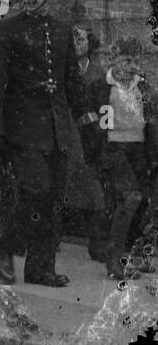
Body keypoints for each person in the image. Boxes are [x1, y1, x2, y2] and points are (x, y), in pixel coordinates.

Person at [0, 0, 88, 287]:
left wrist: (86, 117)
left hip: (57, 129)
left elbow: (72, 79)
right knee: (36, 191)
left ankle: (40, 268)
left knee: (53, 200)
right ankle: (5, 249)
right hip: (22, 128)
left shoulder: (61, 30)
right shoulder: (9, 29)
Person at [96, 39, 158, 280]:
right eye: (126, 60)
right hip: (114, 149)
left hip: (139, 150)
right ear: (114, 59)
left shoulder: (142, 88)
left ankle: (131, 257)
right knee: (130, 198)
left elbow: (151, 122)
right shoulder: (103, 87)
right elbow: (98, 129)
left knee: (142, 203)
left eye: (135, 60)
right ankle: (114, 259)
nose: (131, 66)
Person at [68, 24, 110, 262]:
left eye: (81, 39)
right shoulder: (63, 70)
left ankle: (97, 244)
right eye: (73, 39)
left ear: (89, 43)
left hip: (89, 137)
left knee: (95, 190)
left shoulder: (97, 72)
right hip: (66, 132)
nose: (77, 43)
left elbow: (102, 108)